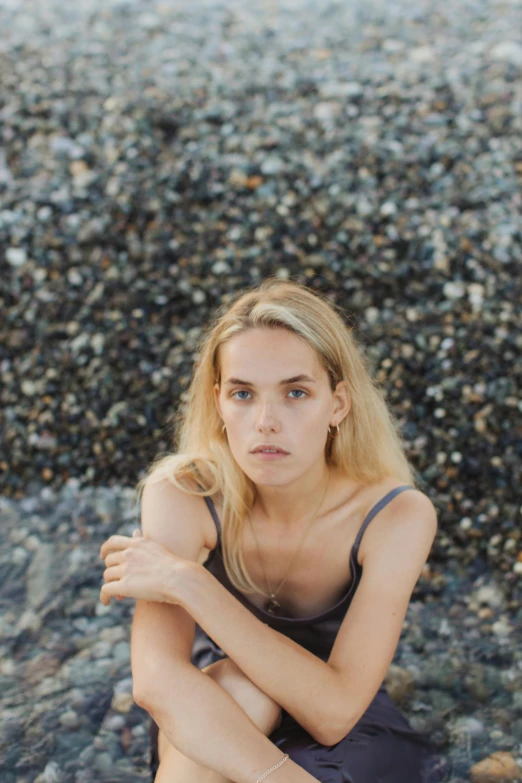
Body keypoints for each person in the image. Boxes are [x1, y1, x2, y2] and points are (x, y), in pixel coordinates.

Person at [99, 277, 443, 783]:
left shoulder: (396, 515)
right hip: (215, 713)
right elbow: (156, 682)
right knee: (241, 688)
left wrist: (189, 583)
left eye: (296, 392)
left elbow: (334, 713)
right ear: (219, 403)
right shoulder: (182, 494)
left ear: (338, 404)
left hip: (344, 726)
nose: (265, 421)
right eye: (243, 393)